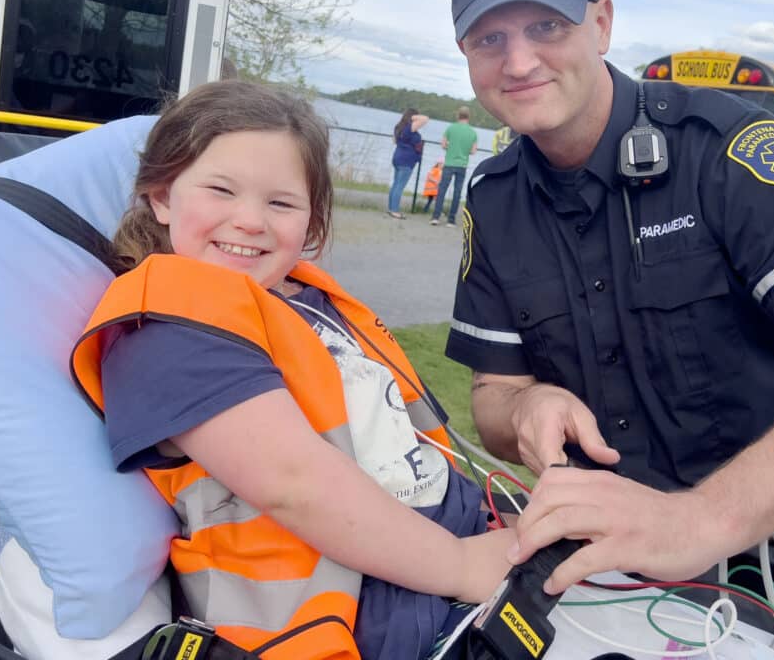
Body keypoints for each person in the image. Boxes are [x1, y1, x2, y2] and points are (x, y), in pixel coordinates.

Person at [443, 0, 774, 616]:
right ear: (465, 53)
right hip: (594, 569)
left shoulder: (726, 152)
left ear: (601, 24)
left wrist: (701, 522)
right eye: (490, 39)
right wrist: (525, 405)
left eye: (546, 26)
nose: (518, 62)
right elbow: (493, 391)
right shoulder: (492, 201)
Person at [70, 81, 513, 660]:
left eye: (281, 203)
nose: (251, 220)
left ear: (310, 221)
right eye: (221, 190)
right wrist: (460, 568)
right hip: (359, 619)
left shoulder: (300, 301)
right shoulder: (167, 335)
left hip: (448, 554)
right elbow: (293, 484)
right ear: (161, 197)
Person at [430, 106, 477, 227]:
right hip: (462, 165)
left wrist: (450, 147)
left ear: (458, 115)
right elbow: (473, 151)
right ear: (468, 116)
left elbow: (443, 145)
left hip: (449, 163)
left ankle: (435, 217)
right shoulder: (472, 132)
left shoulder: (451, 128)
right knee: (457, 192)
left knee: (442, 190)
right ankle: (451, 220)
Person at [388, 107, 429, 219]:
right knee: (399, 186)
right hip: (406, 161)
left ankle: (391, 208)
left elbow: (394, 141)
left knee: (396, 184)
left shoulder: (399, 127)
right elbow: (425, 119)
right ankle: (395, 211)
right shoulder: (409, 127)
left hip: (397, 157)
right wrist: (413, 118)